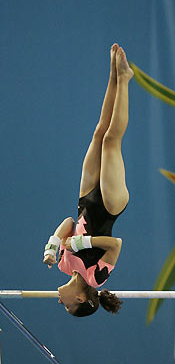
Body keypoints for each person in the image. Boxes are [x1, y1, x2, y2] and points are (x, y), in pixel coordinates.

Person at [42, 43, 134, 317]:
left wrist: (53, 245)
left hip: (85, 202)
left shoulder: (62, 266)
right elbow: (115, 244)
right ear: (82, 298)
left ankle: (114, 75)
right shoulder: (97, 278)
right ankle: (126, 81)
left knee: (98, 133)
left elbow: (69, 223)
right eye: (68, 306)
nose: (61, 302)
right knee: (110, 141)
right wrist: (81, 244)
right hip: (108, 206)